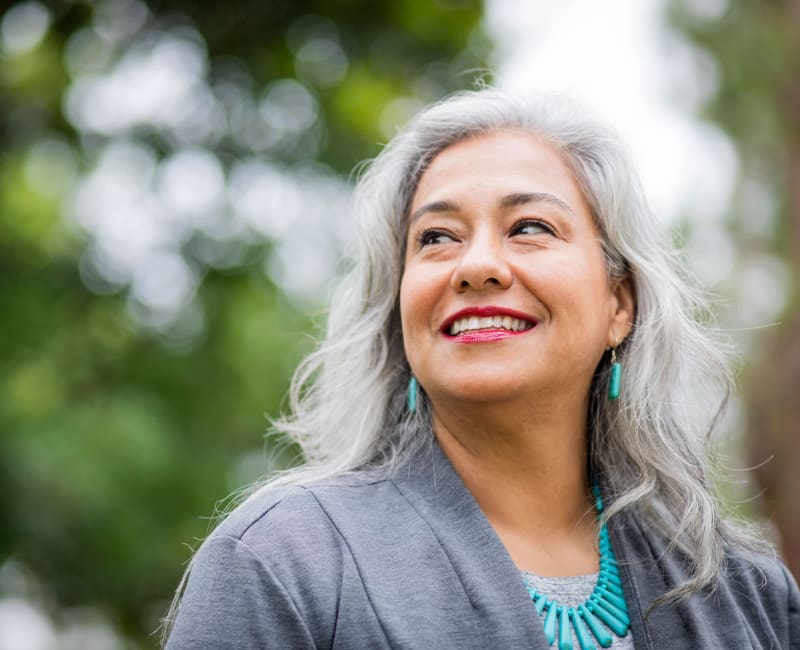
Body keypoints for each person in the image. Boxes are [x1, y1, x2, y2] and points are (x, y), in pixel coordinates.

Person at [164, 90, 800, 649]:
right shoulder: (282, 564)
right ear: (399, 310)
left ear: (619, 305)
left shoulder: (748, 591)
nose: (476, 265)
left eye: (529, 227)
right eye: (436, 237)